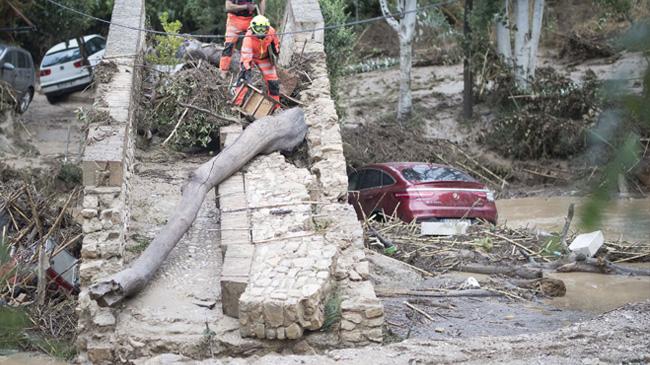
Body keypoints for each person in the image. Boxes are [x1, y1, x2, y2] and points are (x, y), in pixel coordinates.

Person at [234, 15, 281, 105]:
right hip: (251, 57)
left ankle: (275, 106)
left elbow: (276, 43)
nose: (260, 32)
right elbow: (246, 56)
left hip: (265, 58)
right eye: (257, 29)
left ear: (267, 27)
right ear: (253, 28)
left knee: (273, 82)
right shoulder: (248, 38)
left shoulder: (271, 31)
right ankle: (238, 103)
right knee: (243, 78)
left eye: (262, 29)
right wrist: (247, 69)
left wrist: (276, 51)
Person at [219, 0, 266, 77]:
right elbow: (228, 6)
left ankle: (250, 71)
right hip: (234, 19)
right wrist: (246, 7)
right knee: (229, 45)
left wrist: (261, 17)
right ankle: (223, 71)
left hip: (249, 20)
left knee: (252, 45)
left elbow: (262, 1)